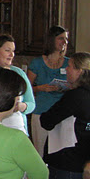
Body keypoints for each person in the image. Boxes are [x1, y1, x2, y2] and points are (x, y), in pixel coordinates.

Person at [38, 52, 90, 179]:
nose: (66, 69)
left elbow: (47, 120)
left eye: (70, 67)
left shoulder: (75, 97)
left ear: (80, 71)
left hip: (64, 162)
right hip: (83, 163)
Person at [28, 25, 69, 156]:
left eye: (66, 39)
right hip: (41, 112)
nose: (64, 42)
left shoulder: (69, 63)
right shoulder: (37, 63)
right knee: (40, 152)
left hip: (63, 113)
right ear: (52, 40)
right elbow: (26, 89)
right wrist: (41, 88)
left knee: (60, 153)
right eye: (61, 38)